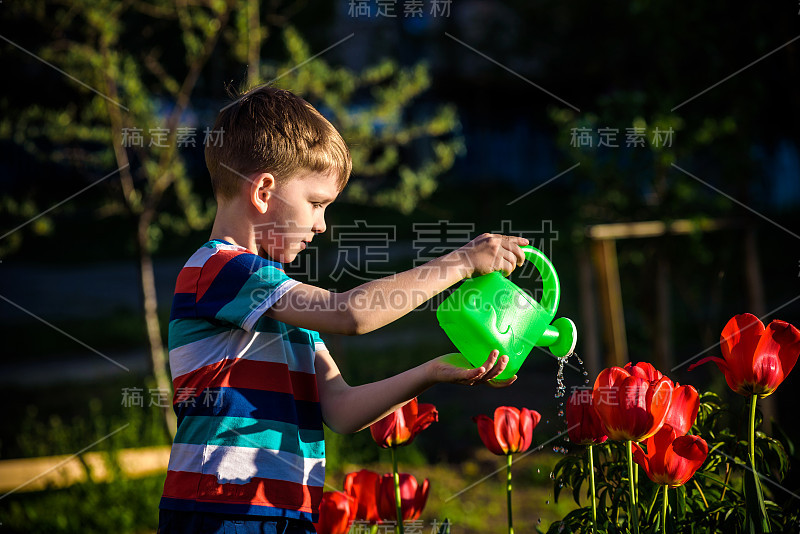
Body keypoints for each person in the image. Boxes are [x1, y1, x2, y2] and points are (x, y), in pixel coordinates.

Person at [157, 85, 529, 534]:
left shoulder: (282, 306)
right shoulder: (218, 269)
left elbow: (339, 408)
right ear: (263, 191)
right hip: (220, 509)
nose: (322, 223)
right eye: (316, 203)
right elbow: (351, 314)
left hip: (286, 511)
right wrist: (463, 261)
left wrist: (432, 371)